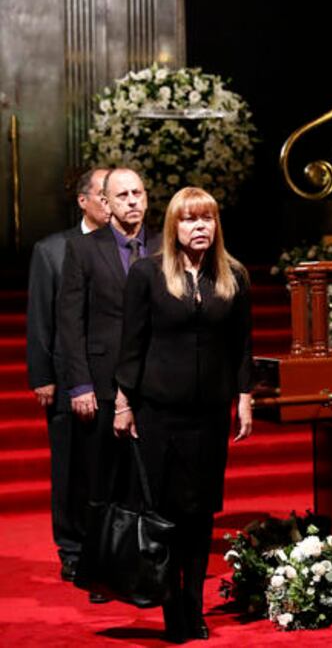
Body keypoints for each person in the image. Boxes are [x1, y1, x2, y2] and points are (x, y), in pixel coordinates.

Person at [114, 187, 253, 642]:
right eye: (191, 220)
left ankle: (194, 606)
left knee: (201, 513)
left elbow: (242, 346)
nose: (200, 228)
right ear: (174, 226)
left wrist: (244, 397)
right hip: (159, 413)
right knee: (166, 514)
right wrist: (123, 402)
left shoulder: (234, 276)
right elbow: (131, 345)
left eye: (207, 219)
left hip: (209, 415)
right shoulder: (146, 274)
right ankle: (172, 607)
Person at [58, 168, 161, 603]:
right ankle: (98, 572)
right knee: (101, 483)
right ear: (105, 202)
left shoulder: (161, 246)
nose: (133, 201)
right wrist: (79, 383)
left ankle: (141, 569)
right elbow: (70, 321)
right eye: (123, 195)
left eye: (138, 193)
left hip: (154, 383)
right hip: (100, 383)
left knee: (144, 483)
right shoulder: (83, 249)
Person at [26, 167, 109, 582]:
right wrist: (42, 375)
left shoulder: (129, 247)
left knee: (104, 469)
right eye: (104, 195)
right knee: (70, 469)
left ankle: (108, 546)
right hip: (64, 377)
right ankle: (72, 548)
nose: (112, 203)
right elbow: (41, 317)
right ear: (84, 201)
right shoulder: (52, 249)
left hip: (110, 376)